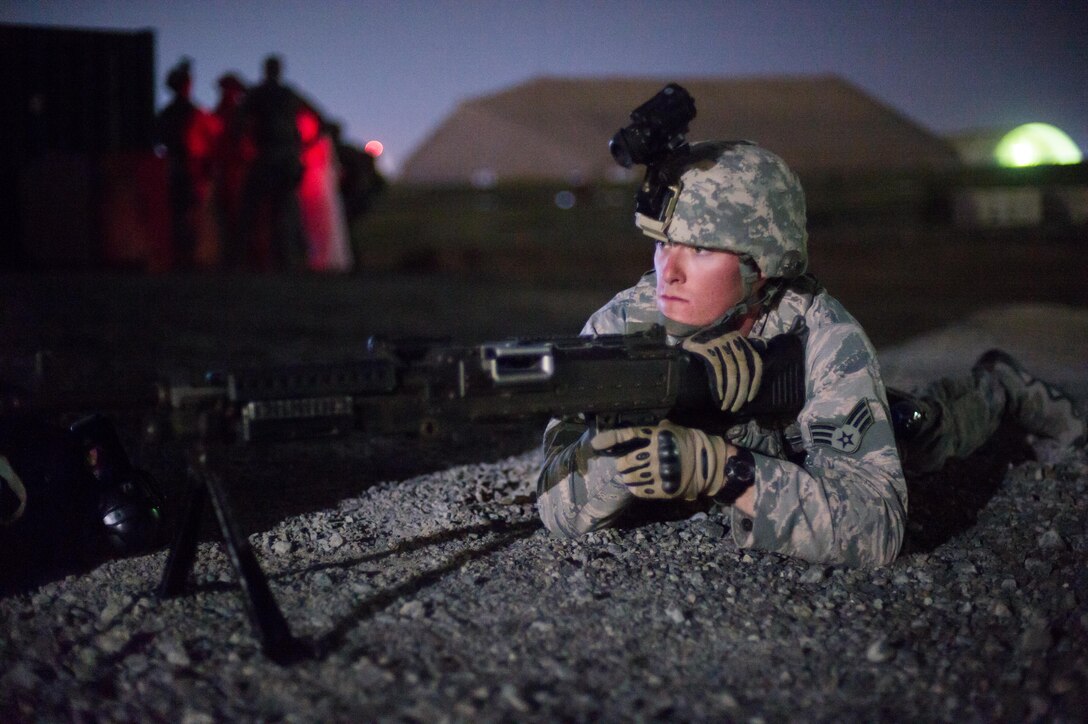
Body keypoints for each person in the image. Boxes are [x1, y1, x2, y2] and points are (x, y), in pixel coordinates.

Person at [535, 140, 1085, 568]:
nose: (668, 271)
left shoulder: (821, 332)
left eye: (701, 248)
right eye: (663, 243)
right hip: (775, 459)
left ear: (764, 264)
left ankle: (1001, 387)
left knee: (923, 430)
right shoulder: (622, 326)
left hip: (807, 436)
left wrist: (722, 472)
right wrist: (614, 461)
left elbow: (876, 530)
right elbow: (554, 503)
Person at [237, 55, 311, 271]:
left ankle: (270, 258)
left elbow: (239, 123)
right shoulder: (283, 94)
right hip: (283, 156)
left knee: (257, 208)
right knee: (282, 208)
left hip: (272, 156)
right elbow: (318, 116)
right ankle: (282, 258)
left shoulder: (260, 95)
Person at [155, 59, 219, 269]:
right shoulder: (192, 112)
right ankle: (186, 256)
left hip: (179, 165)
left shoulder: (169, 113)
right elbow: (212, 136)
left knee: (181, 212)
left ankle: (183, 256)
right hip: (189, 166)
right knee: (188, 212)